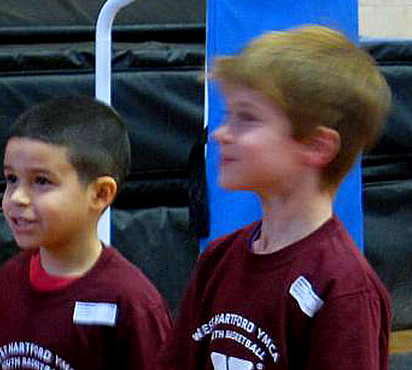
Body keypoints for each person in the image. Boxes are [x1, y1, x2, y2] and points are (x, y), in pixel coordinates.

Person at [163, 25, 392, 370]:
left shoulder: (342, 286)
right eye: (228, 116)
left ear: (316, 146)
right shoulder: (218, 259)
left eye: (247, 118)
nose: (223, 133)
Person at [0, 96, 170, 370]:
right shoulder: (8, 280)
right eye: (11, 179)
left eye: (41, 181)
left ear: (100, 194)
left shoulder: (131, 302)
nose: (17, 197)